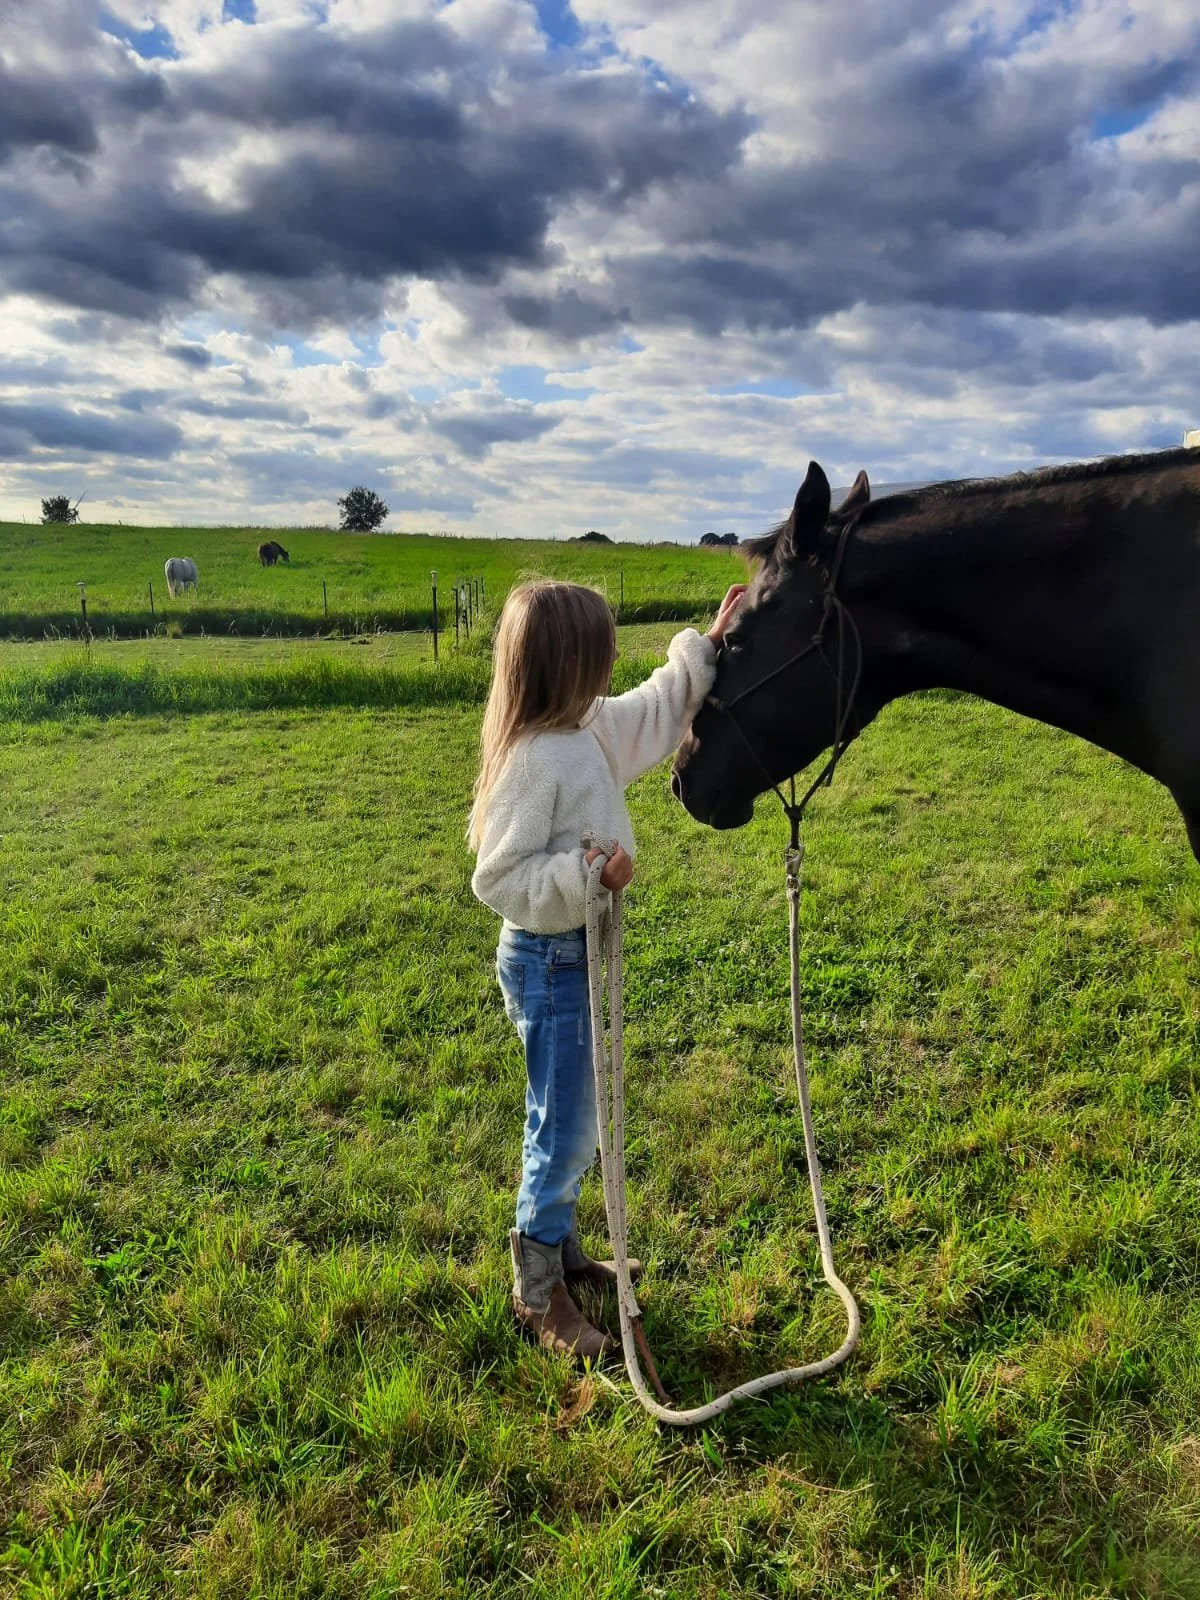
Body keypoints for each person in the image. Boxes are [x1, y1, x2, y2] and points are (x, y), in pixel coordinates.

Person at [469, 579, 746, 1359]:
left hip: (576, 957)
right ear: (568, 661)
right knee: (561, 1126)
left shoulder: (586, 727)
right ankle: (536, 1288)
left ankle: (559, 1252)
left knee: (576, 1115)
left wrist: (707, 648)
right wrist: (586, 875)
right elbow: (499, 876)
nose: (616, 657)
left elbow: (656, 710)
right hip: (549, 960)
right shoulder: (535, 757)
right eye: (603, 647)